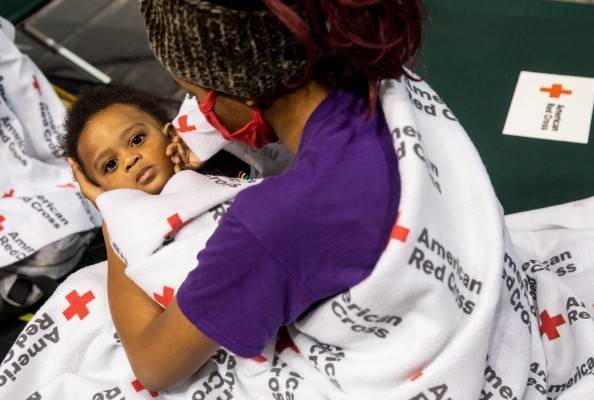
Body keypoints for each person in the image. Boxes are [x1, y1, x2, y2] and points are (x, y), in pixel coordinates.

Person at [69, 0, 423, 391]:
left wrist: (116, 216)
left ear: (237, 91)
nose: (196, 119)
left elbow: (154, 369)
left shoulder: (270, 225)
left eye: (196, 98)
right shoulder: (384, 80)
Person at [63, 85, 250, 195]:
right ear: (102, 189)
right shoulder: (132, 233)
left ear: (170, 134)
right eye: (111, 164)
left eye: (137, 140)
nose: (130, 159)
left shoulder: (218, 163)